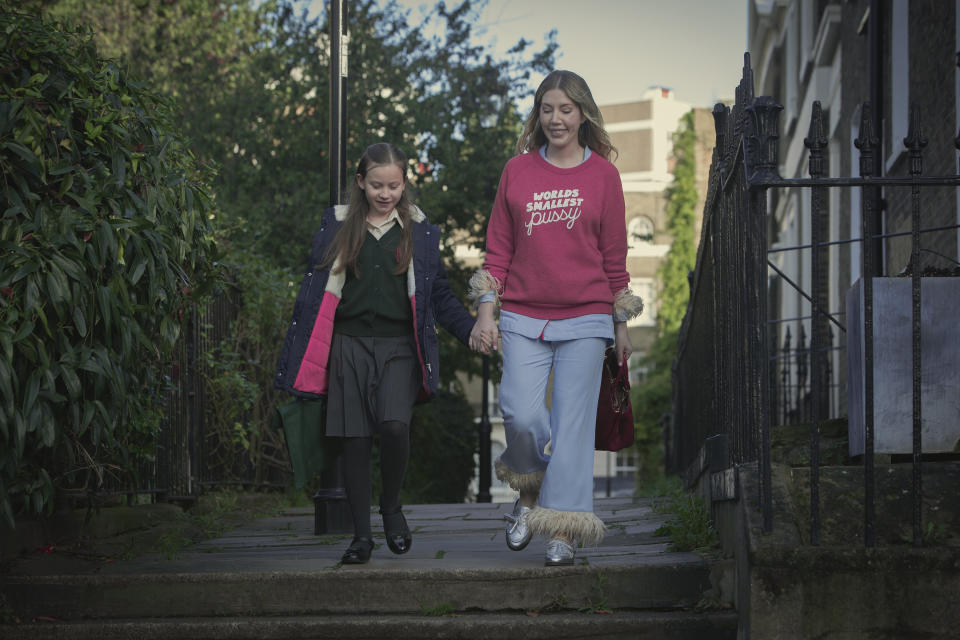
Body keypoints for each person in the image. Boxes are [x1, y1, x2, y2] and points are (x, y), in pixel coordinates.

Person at [275, 142, 492, 564]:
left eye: (393, 185)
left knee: (394, 426)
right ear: (360, 183)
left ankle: (391, 507)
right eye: (376, 185)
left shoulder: (420, 232)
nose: (385, 193)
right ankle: (360, 537)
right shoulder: (337, 227)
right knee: (355, 441)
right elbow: (313, 294)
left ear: (404, 184)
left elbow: (439, 294)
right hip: (348, 346)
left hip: (399, 347)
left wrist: (469, 330)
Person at [470, 70, 643, 566]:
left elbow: (615, 256)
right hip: (523, 315)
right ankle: (528, 497)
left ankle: (563, 528)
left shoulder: (604, 176)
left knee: (572, 426)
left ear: (583, 113)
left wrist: (621, 325)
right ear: (537, 114)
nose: (556, 119)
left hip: (587, 317)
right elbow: (498, 249)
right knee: (521, 415)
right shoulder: (518, 170)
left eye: (566, 109)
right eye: (547, 109)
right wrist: (487, 313)